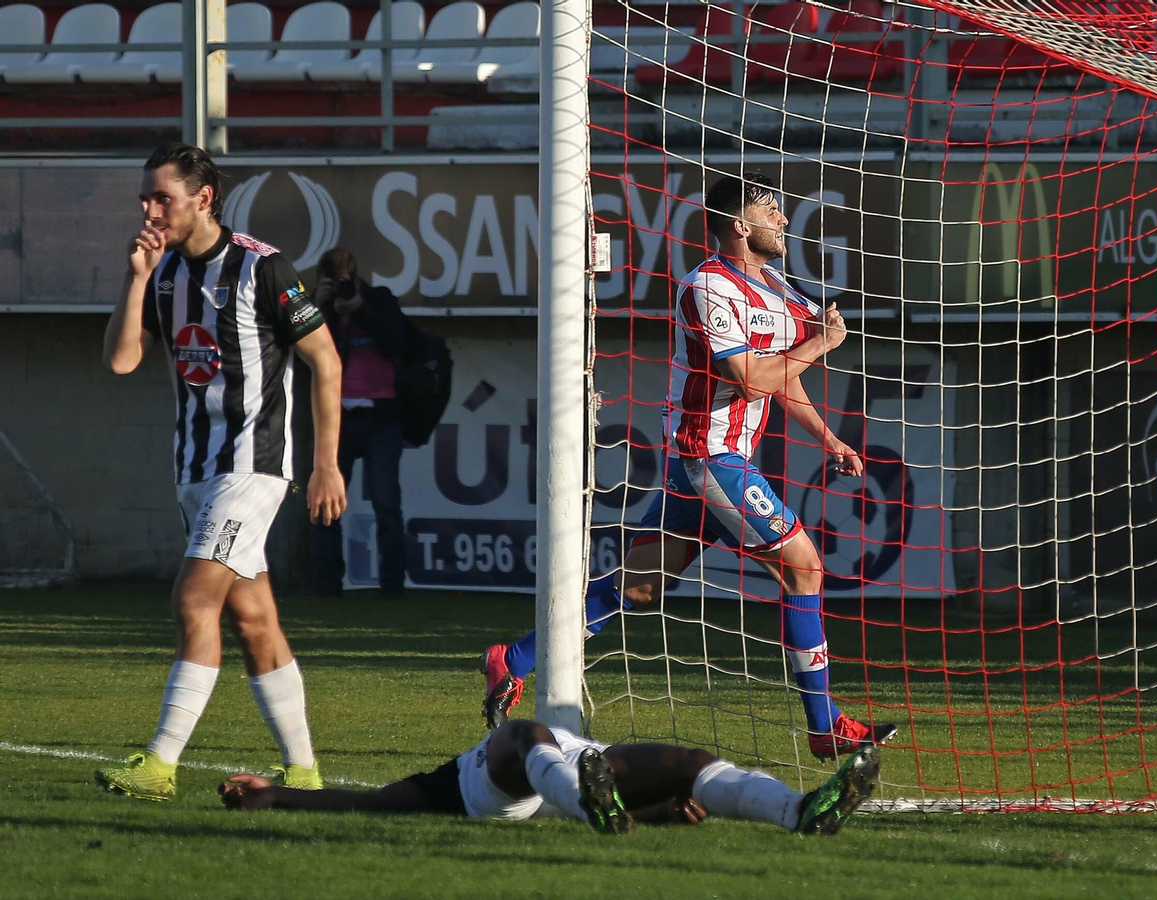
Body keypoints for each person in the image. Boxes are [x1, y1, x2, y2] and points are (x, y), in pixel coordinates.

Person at [481, 172, 897, 760]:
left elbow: (782, 378)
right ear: (739, 225)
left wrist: (829, 439)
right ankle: (824, 725)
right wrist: (821, 343)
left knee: (642, 585)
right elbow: (749, 380)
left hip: (707, 462)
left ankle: (512, 659)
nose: (783, 220)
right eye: (771, 211)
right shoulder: (706, 287)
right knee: (804, 568)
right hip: (710, 457)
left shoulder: (780, 289)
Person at [95, 142, 347, 801]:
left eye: (163, 198)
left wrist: (324, 464)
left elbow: (325, 360)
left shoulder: (263, 267)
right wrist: (136, 277)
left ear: (203, 198)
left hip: (252, 466)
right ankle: (304, 770)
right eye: (145, 199)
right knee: (253, 620)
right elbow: (121, 361)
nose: (150, 211)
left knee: (192, 599)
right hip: (195, 469)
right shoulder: (164, 273)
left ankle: (160, 765)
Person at [218, 717, 880, 837]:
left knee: (687, 764)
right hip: (506, 787)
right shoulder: (452, 782)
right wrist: (275, 797)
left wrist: (659, 813)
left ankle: (799, 811)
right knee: (521, 733)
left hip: (586, 771)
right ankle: (592, 803)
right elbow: (371, 805)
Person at [308, 248, 410, 598]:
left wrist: (359, 309)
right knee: (326, 501)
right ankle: (327, 584)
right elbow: (312, 353)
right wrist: (320, 308)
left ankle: (392, 586)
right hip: (335, 415)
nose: (341, 288)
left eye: (345, 281)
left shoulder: (378, 300)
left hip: (381, 413)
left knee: (385, 500)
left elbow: (398, 343)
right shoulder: (318, 309)